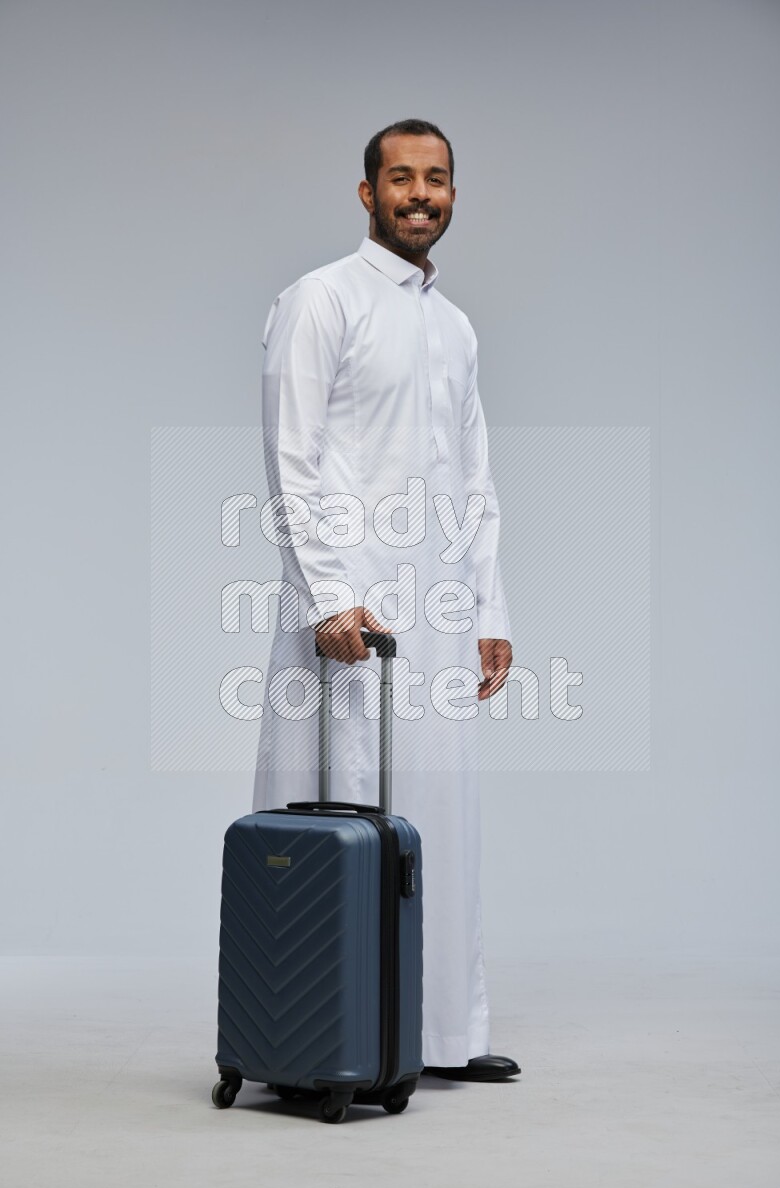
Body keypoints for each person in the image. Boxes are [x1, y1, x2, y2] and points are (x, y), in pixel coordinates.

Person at [252, 118, 519, 1082]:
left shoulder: (454, 326)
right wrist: (329, 594)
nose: (420, 194)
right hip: (352, 609)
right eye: (400, 178)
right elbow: (293, 455)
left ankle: (439, 1035)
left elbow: (475, 479)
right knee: (350, 802)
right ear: (366, 193)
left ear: (453, 194)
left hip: (439, 616)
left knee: (439, 818)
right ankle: (331, 1037)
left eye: (437, 179)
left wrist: (489, 610)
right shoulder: (322, 300)